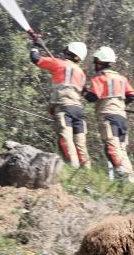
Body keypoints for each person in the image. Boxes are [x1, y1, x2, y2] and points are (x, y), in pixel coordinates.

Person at [30, 40, 91, 168]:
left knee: (66, 138)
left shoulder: (58, 63)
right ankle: (86, 170)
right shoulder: (81, 73)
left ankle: (73, 165)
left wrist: (35, 46)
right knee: (81, 144)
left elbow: (35, 58)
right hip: (78, 110)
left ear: (68, 52)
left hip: (63, 107)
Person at [84, 46, 134, 182]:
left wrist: (84, 91)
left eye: (96, 62)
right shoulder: (121, 78)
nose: (95, 66)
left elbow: (92, 97)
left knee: (111, 147)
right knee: (121, 149)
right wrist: (120, 105)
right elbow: (132, 95)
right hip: (121, 118)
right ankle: (131, 179)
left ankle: (123, 176)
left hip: (108, 117)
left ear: (100, 62)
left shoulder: (99, 78)